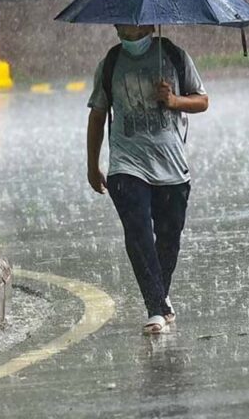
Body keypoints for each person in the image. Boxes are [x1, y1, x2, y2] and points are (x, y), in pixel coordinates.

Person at [87, 24, 208, 335]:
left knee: (168, 240)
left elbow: (202, 101)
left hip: (171, 167)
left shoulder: (174, 56)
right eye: (118, 26)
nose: (122, 31)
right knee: (138, 234)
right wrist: (92, 164)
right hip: (127, 165)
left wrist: (174, 101)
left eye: (128, 24)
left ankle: (160, 299)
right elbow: (98, 114)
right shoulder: (111, 62)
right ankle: (155, 308)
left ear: (147, 24)